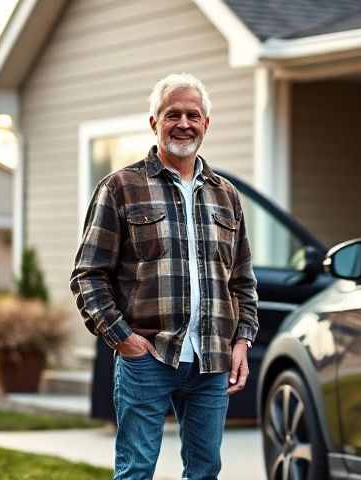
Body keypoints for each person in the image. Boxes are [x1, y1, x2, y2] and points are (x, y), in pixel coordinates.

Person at [70, 72, 258, 480]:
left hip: (212, 360)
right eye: (173, 114)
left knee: (205, 471)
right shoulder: (120, 187)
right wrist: (124, 339)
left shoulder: (226, 194)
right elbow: (88, 275)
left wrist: (241, 341)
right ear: (154, 122)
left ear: (207, 123)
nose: (184, 123)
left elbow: (242, 279)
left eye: (194, 114)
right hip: (148, 357)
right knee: (137, 471)